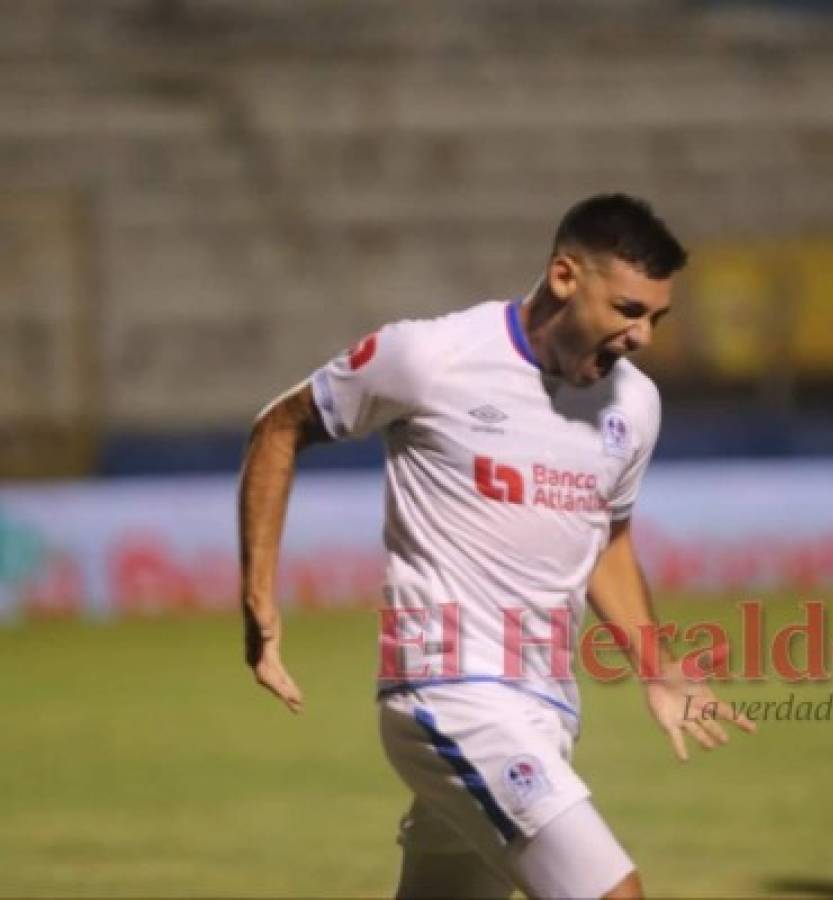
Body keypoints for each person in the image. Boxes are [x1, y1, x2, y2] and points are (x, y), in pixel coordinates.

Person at [238, 193, 754, 899]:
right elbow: (279, 426)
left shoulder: (634, 406)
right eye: (629, 310)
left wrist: (656, 667)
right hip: (448, 693)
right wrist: (259, 596)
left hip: (546, 707)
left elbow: (603, 538)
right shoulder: (430, 357)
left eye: (656, 318)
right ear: (566, 277)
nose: (643, 337)